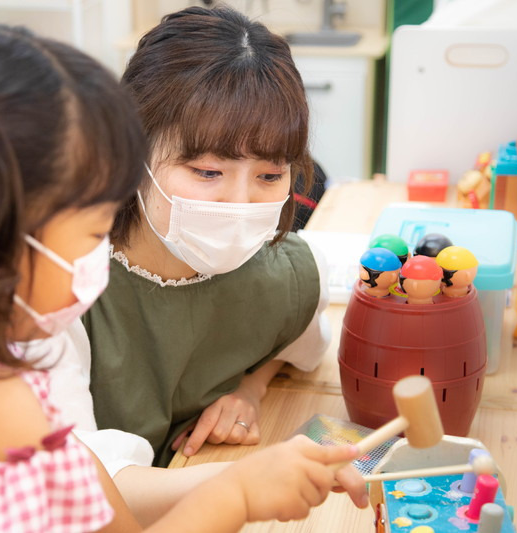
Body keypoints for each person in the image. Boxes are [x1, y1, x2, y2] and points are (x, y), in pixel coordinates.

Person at [0, 21, 367, 532]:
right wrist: (239, 494)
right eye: (91, 233)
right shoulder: (7, 416)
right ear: (1, 231)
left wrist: (251, 390)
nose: (98, 257)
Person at [83, 5, 333, 467]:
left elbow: (301, 342)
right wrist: (245, 485)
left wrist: (251, 387)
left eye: (269, 175)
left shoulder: (286, 280)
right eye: (207, 171)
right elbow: (80, 480)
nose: (239, 203)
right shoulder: (64, 286)